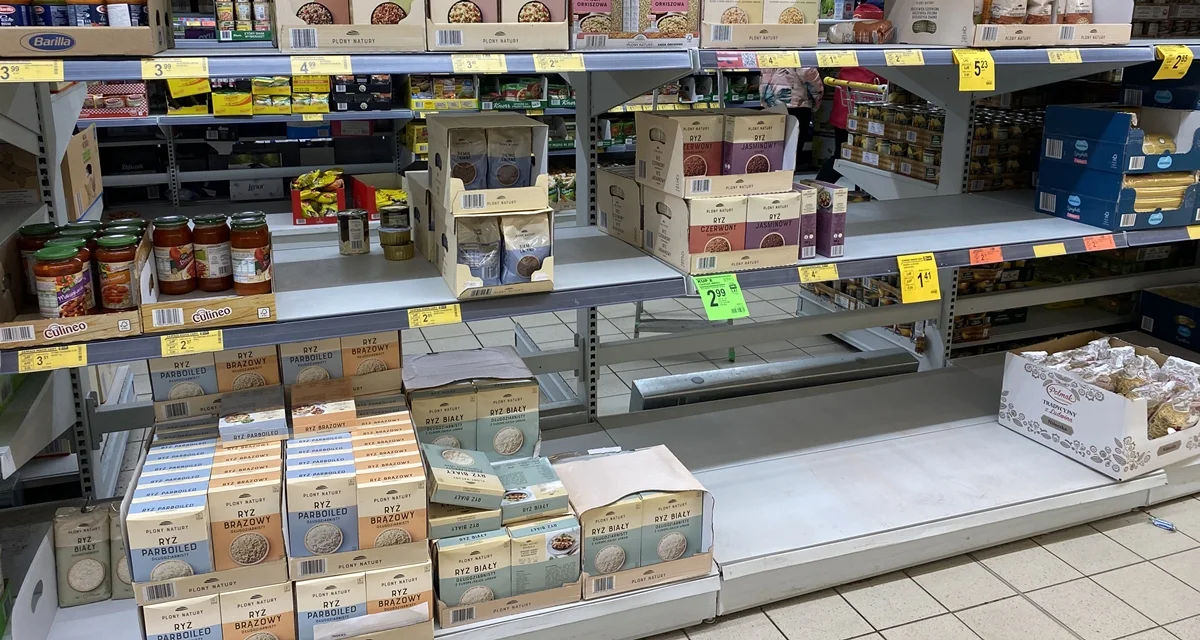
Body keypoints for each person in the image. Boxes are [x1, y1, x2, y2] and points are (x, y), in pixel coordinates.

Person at [816, 66, 886, 183]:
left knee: (841, 155)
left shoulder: (850, 63)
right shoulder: (875, 65)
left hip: (844, 113)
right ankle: (820, 187)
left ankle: (818, 186)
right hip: (866, 117)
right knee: (866, 159)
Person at [759, 67, 823, 171]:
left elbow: (764, 78)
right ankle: (789, 174)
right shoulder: (799, 58)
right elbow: (810, 76)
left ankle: (773, 171)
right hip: (797, 105)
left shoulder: (771, 57)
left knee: (775, 143)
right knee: (794, 144)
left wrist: (765, 102)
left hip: (773, 104)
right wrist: (817, 101)